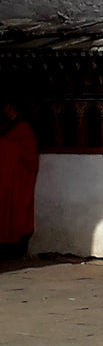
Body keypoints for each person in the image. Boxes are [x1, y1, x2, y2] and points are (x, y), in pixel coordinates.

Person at [0, 100, 39, 259]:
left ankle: (15, 248)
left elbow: (29, 155)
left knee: (16, 212)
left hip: (18, 179)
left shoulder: (23, 128)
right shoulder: (8, 127)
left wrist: (5, 145)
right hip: (7, 178)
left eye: (8, 107)